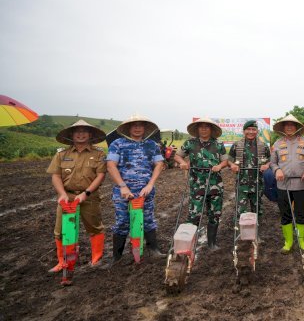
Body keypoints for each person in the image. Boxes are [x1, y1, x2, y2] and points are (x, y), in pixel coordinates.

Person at [47, 120, 107, 283]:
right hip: (67, 196)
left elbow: (100, 176)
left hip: (89, 196)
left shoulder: (99, 154)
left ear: (90, 135)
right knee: (60, 231)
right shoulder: (61, 154)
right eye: (77, 131)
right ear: (71, 135)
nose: (81, 134)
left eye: (84, 131)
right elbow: (56, 176)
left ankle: (96, 258)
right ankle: (62, 262)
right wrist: (62, 194)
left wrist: (86, 193)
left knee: (94, 227)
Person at [106, 114, 165, 262]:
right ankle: (116, 257)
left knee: (148, 219)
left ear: (145, 128)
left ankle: (153, 249)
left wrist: (150, 184)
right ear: (128, 128)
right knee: (122, 222)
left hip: (146, 191)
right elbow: (111, 165)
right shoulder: (118, 144)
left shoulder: (152, 145)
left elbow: (159, 164)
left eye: (140, 125)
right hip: (123, 192)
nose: (137, 128)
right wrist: (123, 186)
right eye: (134, 125)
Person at [174, 117, 229, 250]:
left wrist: (219, 166)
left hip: (215, 185)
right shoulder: (190, 143)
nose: (204, 129)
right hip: (196, 185)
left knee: (214, 214)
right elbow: (177, 155)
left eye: (207, 127)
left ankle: (211, 243)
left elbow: (225, 161)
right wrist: (182, 163)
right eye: (201, 127)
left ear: (211, 129)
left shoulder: (218, 144)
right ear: (197, 129)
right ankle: (188, 244)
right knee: (194, 215)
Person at [270, 115, 304, 254]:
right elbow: (273, 162)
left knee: (301, 214)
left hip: (301, 184)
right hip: (283, 185)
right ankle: (288, 242)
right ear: (283, 128)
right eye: (286, 125)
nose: (289, 127)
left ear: (296, 127)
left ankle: (301, 241)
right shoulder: (277, 144)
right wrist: (276, 170)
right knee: (285, 214)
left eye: (292, 125)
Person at [228, 120, 271, 217]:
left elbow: (270, 159)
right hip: (241, 184)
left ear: (257, 131)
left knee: (257, 210)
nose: (251, 132)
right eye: (248, 129)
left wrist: (267, 165)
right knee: (240, 211)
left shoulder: (263, 146)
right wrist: (232, 165)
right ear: (244, 131)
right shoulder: (236, 145)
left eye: (253, 129)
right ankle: (240, 230)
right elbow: (229, 159)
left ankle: (256, 229)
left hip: (258, 184)